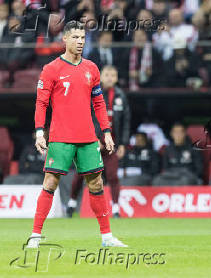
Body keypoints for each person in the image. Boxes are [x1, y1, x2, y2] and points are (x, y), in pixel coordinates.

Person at [31, 21, 127, 248]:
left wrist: (106, 132)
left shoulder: (92, 69)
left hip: (87, 137)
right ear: (64, 39)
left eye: (83, 37)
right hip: (61, 136)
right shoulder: (51, 69)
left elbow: (100, 104)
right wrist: (39, 132)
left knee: (96, 184)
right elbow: (41, 103)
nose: (80, 41)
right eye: (75, 37)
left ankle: (106, 237)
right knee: (50, 182)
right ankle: (35, 235)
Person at [66, 65, 131, 218]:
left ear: (116, 78)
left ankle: (115, 208)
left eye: (113, 75)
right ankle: (71, 204)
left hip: (111, 144)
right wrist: (94, 137)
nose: (110, 78)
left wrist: (123, 143)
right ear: (100, 76)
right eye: (107, 74)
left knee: (113, 176)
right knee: (81, 174)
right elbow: (84, 116)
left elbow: (126, 122)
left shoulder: (120, 96)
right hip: (90, 142)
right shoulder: (91, 93)